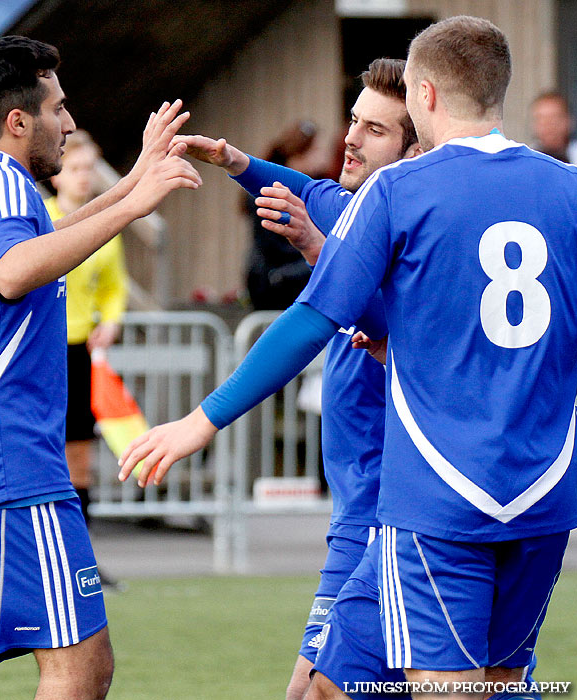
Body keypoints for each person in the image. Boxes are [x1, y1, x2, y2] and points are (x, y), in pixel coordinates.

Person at [121, 15, 577, 700]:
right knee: (498, 685)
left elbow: (309, 320)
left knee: (438, 689)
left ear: (422, 96)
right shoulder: (566, 190)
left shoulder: (400, 190)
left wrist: (200, 422)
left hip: (438, 498)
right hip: (543, 497)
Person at [0, 35, 200, 700]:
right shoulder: (2, 183)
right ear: (18, 121)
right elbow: (12, 272)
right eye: (59, 107)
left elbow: (36, 247)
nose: (70, 121)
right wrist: (135, 205)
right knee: (81, 663)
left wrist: (135, 184)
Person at [168, 57, 420, 700]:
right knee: (320, 691)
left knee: (331, 690)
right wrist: (235, 162)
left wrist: (318, 253)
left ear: (417, 146)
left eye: (376, 130)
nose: (351, 140)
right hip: (358, 510)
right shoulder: (353, 208)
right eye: (353, 121)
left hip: (392, 512)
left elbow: (384, 329)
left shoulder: (413, 232)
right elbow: (305, 191)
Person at [42, 129, 128, 588]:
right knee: (39, 453)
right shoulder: (41, 219)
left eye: (89, 169)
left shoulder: (105, 230)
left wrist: (111, 319)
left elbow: (114, 287)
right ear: (56, 174)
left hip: (79, 353)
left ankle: (80, 563)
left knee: (81, 461)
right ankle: (39, 560)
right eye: (74, 168)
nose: (82, 178)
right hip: (40, 353)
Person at [245, 119, 330, 310]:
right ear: (298, 155)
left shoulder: (315, 190)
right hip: (275, 288)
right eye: (316, 150)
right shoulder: (271, 193)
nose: (323, 155)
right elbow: (276, 246)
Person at [529, 91, 577, 165]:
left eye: (554, 118)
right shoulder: (524, 161)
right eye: (541, 119)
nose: (548, 125)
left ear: (568, 121)